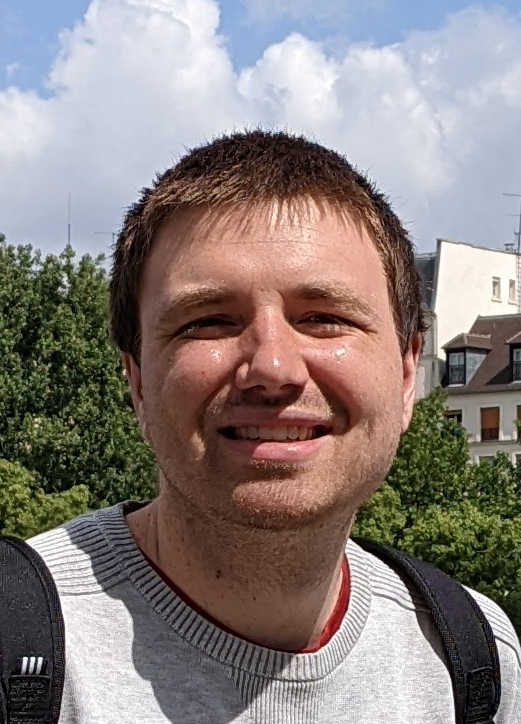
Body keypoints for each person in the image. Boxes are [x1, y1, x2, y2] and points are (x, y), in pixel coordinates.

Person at [30, 130, 520, 723]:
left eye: (324, 318)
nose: (273, 368)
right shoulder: (22, 649)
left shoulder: (474, 663)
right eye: (208, 321)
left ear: (405, 371)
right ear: (135, 379)